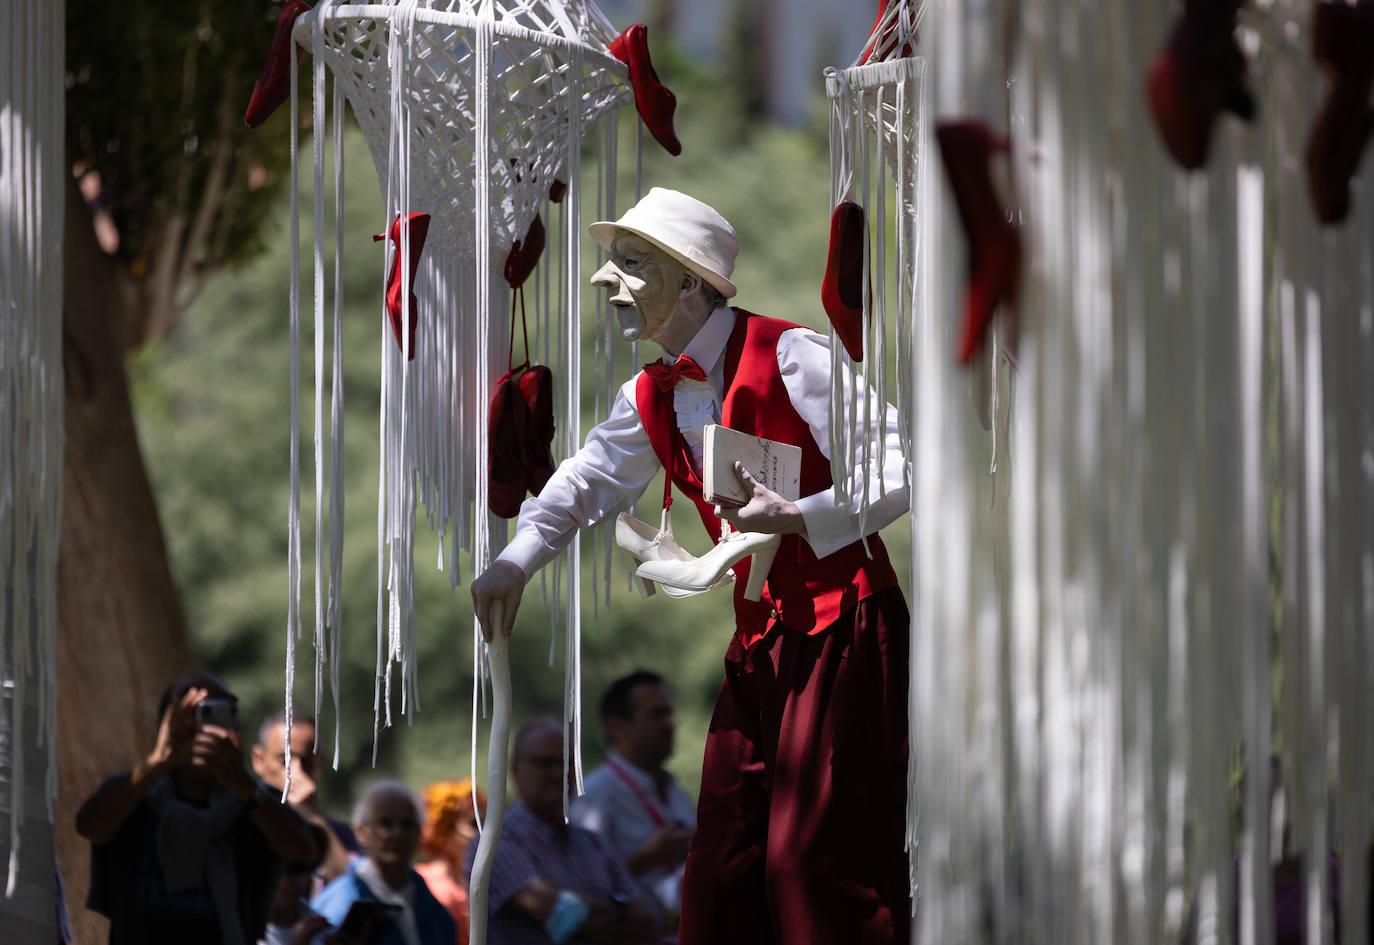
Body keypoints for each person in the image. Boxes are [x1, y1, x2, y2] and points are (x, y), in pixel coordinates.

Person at [470, 187, 911, 945]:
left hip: (846, 625)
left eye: (632, 263)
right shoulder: (651, 392)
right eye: (612, 263)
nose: (607, 281)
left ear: (695, 283)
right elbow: (581, 482)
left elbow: (901, 464)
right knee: (719, 871)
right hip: (764, 639)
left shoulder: (791, 353)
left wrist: (798, 516)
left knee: (808, 864)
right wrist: (514, 563)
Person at [76, 672, 321, 945]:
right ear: (165, 723)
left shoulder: (254, 803)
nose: (201, 726)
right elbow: (89, 826)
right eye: (189, 712)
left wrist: (241, 785)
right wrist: (158, 761)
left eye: (214, 712)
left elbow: (301, 850)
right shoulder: (135, 795)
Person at [464, 718, 659, 944]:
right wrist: (619, 913)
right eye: (545, 762)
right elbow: (563, 914)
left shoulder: (595, 844)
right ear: (516, 770)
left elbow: (646, 923)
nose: (558, 773)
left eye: (568, 762)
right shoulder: (494, 843)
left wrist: (594, 917)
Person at [571, 671, 694, 931]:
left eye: (670, 713)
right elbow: (581, 889)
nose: (670, 724)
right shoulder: (595, 795)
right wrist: (648, 858)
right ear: (618, 728)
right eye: (657, 715)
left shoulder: (676, 791)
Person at [311, 780, 456, 945]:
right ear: (361, 832)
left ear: (419, 834)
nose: (397, 834)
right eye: (386, 823)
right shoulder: (338, 906)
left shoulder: (434, 911)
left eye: (407, 824)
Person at [252, 711, 359, 884]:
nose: (296, 772)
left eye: (306, 762)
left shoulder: (339, 836)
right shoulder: (240, 824)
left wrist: (312, 815)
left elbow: (349, 888)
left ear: (320, 764)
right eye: (284, 760)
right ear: (258, 760)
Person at [416, 779, 487, 945]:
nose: (482, 832)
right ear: (445, 830)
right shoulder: (432, 886)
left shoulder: (467, 880)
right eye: (473, 824)